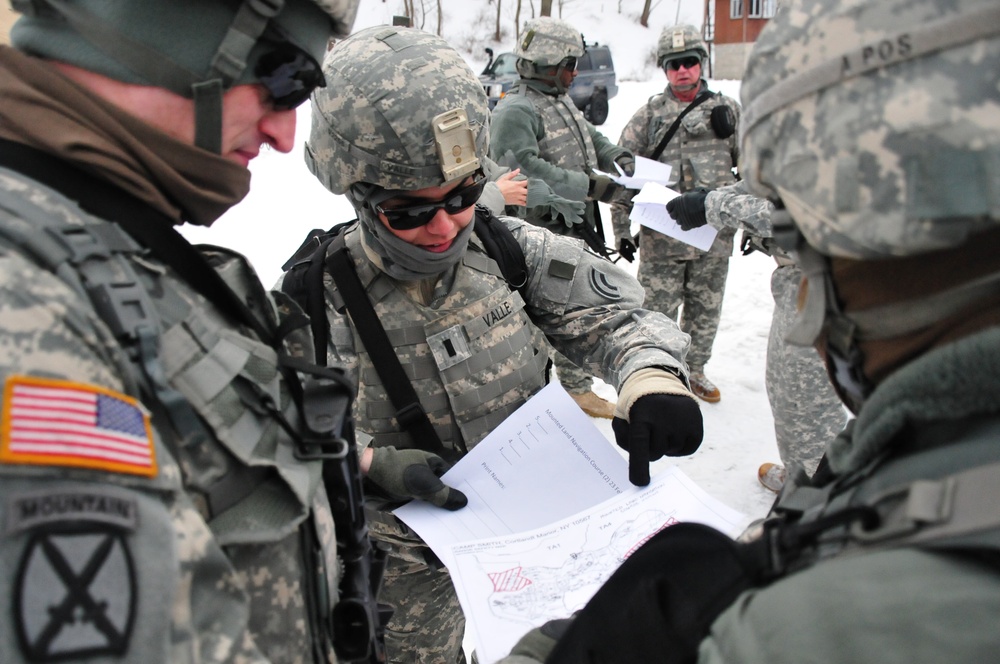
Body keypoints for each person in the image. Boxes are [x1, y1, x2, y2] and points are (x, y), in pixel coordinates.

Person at [501, 0, 1000, 661]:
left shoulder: (803, 628)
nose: (801, 306)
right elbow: (538, 181)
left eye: (798, 241)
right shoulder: (534, 108)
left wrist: (566, 648)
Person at [289, 25, 705, 664]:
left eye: (460, 196)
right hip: (404, 561)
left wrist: (650, 379)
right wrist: (368, 464)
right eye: (409, 211)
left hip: (544, 536)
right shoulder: (313, 300)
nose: (445, 225)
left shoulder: (506, 250)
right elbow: (272, 428)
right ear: (358, 195)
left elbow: (620, 319)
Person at [0, 1, 372, 662]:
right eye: (284, 80)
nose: (286, 134)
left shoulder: (101, 239)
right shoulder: (23, 302)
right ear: (168, 39)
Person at [488, 16, 636, 420]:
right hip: (544, 233)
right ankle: (550, 395)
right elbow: (524, 170)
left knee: (577, 308)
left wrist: (615, 156)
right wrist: (591, 185)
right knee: (555, 313)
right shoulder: (516, 110)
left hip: (574, 224)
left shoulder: (557, 99)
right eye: (570, 65)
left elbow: (591, 136)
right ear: (548, 63)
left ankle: (575, 389)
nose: (575, 73)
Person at [669, 183, 847, 492]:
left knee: (808, 399)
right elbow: (777, 180)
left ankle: (817, 494)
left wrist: (714, 203)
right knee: (785, 387)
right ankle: (802, 471)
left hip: (833, 280)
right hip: (800, 278)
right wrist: (721, 192)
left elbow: (809, 212)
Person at [611, 24, 741, 404]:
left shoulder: (727, 111)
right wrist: (620, 228)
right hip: (661, 242)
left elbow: (753, 171)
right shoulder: (649, 115)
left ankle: (695, 370)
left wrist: (755, 225)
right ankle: (658, 376)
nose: (682, 71)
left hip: (713, 239)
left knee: (705, 313)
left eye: (689, 62)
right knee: (655, 317)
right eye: (673, 65)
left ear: (701, 63)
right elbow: (623, 173)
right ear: (664, 70)